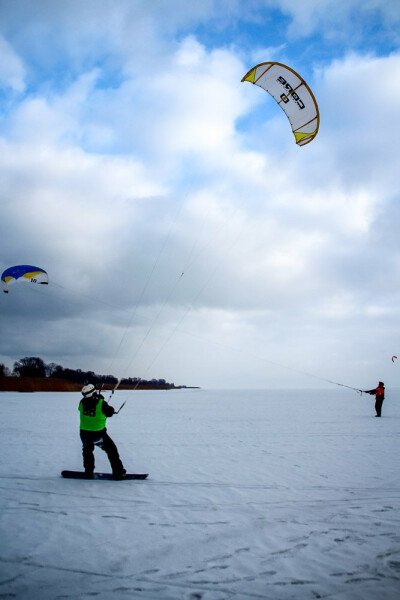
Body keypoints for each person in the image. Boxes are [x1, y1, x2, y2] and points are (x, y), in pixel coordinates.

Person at [79, 384, 126, 479]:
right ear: (93, 392)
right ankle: (118, 473)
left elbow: (85, 407)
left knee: (87, 451)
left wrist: (98, 400)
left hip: (84, 434)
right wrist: (101, 401)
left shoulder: (81, 402)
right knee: (112, 451)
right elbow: (110, 412)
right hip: (98, 435)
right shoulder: (102, 403)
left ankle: (88, 472)